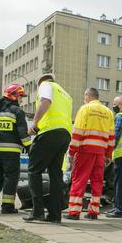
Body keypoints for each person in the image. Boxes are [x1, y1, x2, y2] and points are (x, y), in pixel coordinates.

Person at [23, 74, 72, 223]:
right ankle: (55, 215)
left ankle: (37, 211)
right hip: (64, 134)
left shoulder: (45, 86)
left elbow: (45, 101)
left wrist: (34, 123)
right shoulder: (66, 94)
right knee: (55, 174)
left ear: (40, 83)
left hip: (48, 132)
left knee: (34, 170)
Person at [66, 87, 114, 220]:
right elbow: (111, 136)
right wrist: (108, 155)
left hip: (85, 150)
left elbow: (78, 131)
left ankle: (74, 212)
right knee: (97, 181)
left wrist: (72, 151)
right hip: (100, 153)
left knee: (79, 179)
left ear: (87, 95)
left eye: (84, 96)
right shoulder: (108, 112)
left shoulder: (85, 109)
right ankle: (93, 211)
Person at [0, 84, 32, 214]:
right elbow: (23, 133)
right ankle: (7, 206)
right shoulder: (17, 111)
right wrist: (29, 147)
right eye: (21, 96)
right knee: (11, 177)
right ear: (14, 96)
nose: (22, 100)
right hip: (11, 152)